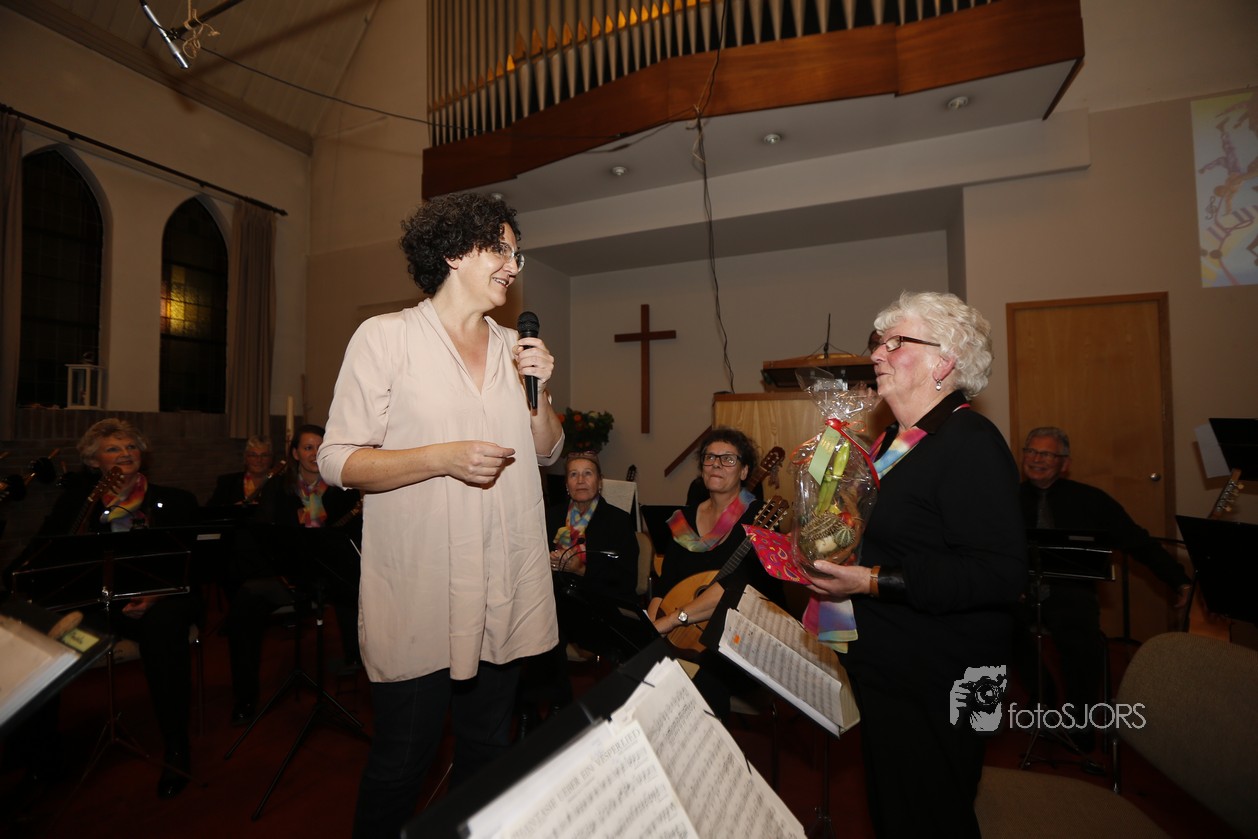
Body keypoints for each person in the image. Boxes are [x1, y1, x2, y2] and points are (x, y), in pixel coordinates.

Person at [317, 192, 563, 839]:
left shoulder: (515, 347)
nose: (514, 264)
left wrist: (539, 394)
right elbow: (337, 460)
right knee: (404, 760)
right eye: (500, 249)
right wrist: (440, 458)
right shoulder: (386, 337)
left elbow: (548, 450)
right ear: (453, 252)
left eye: (517, 253)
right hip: (422, 585)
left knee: (488, 749)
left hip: (504, 581)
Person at [805, 292, 1026, 838]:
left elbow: (998, 574)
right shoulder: (893, 441)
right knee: (896, 811)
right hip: (891, 667)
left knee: (930, 817)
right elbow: (886, 535)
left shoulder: (970, 442)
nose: (877, 354)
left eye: (896, 342)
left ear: (944, 362)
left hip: (941, 676)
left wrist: (868, 581)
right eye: (878, 342)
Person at [37, 418, 201, 798]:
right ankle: (42, 753)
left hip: (158, 601)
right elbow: (48, 555)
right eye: (113, 449)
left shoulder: (176, 500)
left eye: (131, 447)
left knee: (164, 629)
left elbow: (192, 562)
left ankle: (177, 747)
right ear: (93, 462)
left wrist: (157, 595)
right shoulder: (77, 503)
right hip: (97, 604)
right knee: (42, 630)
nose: (126, 453)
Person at [1017, 425, 1191, 752]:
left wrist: (1179, 581)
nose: (1037, 459)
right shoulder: (1006, 498)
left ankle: (1079, 722)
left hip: (1070, 592)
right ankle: (1043, 695)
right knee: (992, 625)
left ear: (1064, 463)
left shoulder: (1091, 500)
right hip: (1021, 591)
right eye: (1032, 452)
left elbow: (1138, 541)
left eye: (1047, 454)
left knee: (1080, 638)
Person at [224, 424, 361, 725]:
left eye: (321, 448)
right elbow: (262, 536)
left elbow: (354, 539)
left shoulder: (343, 490)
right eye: (308, 448)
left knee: (357, 595)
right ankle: (245, 697)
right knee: (244, 606)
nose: (315, 454)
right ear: (295, 453)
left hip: (329, 576)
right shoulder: (276, 488)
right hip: (284, 577)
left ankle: (357, 667)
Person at [648, 427, 789, 720]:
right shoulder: (684, 519)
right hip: (681, 629)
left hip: (740, 636)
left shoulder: (760, 519)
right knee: (643, 667)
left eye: (728, 459)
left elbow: (735, 587)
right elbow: (665, 583)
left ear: (744, 471)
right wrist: (650, 627)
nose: (716, 464)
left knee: (704, 678)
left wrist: (672, 620)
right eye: (710, 457)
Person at [208, 435, 277, 507]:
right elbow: (209, 511)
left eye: (264, 455)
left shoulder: (281, 484)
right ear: (245, 458)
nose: (259, 460)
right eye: (253, 455)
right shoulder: (227, 483)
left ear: (271, 459)